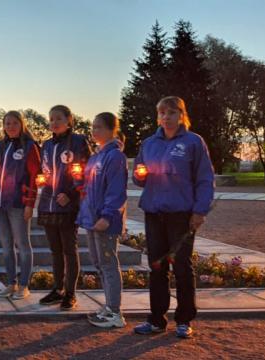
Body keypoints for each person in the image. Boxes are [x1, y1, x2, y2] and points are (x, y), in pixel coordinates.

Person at [132, 96, 215, 339]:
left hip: (181, 214)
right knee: (157, 267)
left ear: (181, 115)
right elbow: (139, 176)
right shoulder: (149, 143)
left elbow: (204, 179)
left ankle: (184, 319)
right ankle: (157, 319)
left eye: (171, 112)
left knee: (181, 267)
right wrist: (140, 175)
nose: (166, 117)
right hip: (154, 212)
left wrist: (200, 211)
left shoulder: (193, 142)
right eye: (162, 113)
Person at [36, 105, 91, 310]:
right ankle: (57, 288)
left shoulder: (78, 142)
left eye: (59, 118)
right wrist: (42, 181)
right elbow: (46, 171)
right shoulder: (47, 144)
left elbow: (86, 171)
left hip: (68, 203)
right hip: (49, 203)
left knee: (69, 249)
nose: (54, 122)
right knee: (55, 250)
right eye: (51, 119)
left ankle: (70, 292)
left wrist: (70, 194)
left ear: (69, 120)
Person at [77, 112, 128, 328]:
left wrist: (108, 216)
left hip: (104, 220)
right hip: (92, 218)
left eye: (98, 127)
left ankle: (115, 312)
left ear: (111, 129)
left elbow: (116, 190)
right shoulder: (96, 156)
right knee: (99, 263)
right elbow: (90, 186)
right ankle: (108, 306)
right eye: (93, 126)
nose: (93, 131)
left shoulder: (114, 156)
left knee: (108, 263)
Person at [0, 111, 41, 300]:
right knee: (6, 245)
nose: (10, 126)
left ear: (21, 125)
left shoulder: (29, 147)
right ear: (3, 126)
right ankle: (11, 283)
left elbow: (35, 176)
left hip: (18, 203)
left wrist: (30, 204)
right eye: (7, 123)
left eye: (14, 123)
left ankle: (24, 285)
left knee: (22, 244)